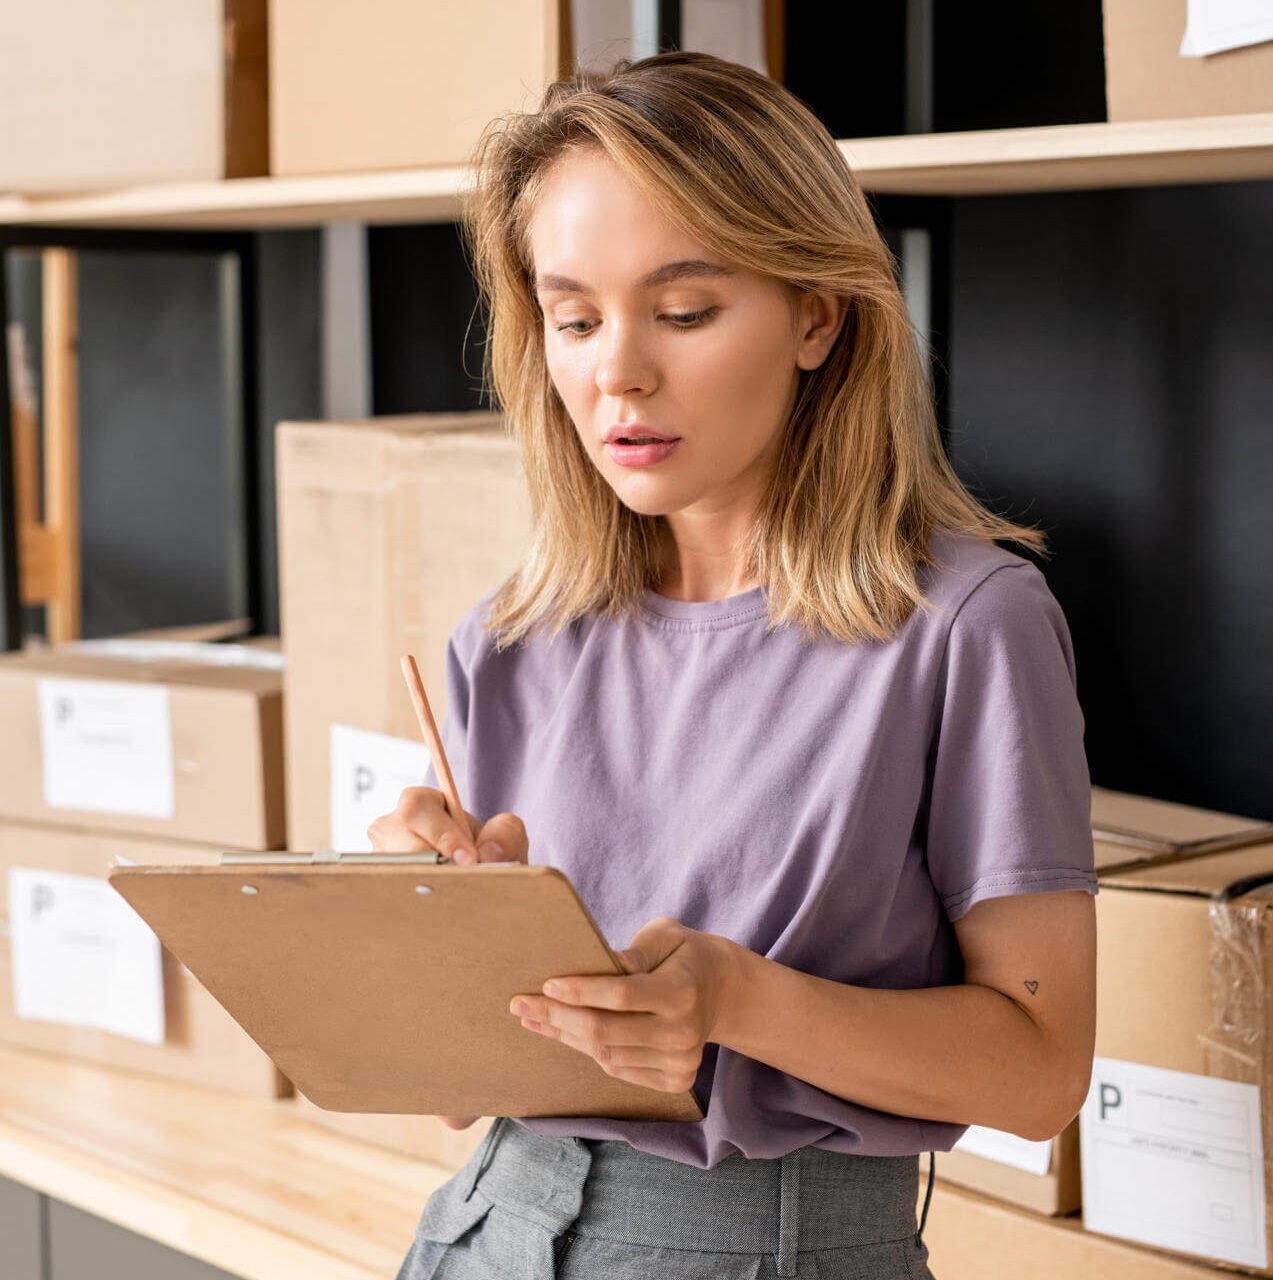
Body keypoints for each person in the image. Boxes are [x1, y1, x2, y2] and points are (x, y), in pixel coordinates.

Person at [372, 49, 1098, 1280]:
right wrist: (435, 936)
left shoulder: (965, 624)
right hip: (486, 1229)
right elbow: (455, 1097)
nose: (617, 374)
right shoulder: (503, 638)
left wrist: (734, 1002)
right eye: (575, 318)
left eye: (685, 310)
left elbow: (1039, 1073)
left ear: (817, 315)